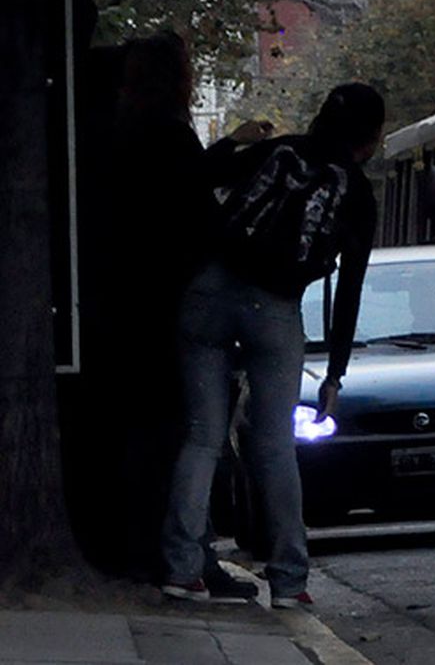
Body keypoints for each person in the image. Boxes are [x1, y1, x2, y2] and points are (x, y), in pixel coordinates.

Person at [159, 83, 384, 608]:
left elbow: (197, 179)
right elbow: (348, 289)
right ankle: (288, 580)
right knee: (274, 445)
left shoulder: (277, 149)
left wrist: (231, 142)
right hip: (275, 309)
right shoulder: (356, 192)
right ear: (370, 140)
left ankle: (181, 567)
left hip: (209, 292)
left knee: (202, 437)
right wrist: (335, 374)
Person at [94, 32, 262, 600]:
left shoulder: (120, 131)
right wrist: (234, 151)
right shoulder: (165, 133)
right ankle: (185, 553)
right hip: (170, 302)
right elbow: (190, 194)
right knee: (190, 434)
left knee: (152, 435)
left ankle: (155, 550)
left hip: (129, 303)